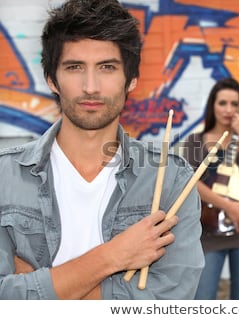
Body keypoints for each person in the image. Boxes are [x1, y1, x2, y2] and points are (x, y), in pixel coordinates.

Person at [0, 0, 204, 300]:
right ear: (52, 80)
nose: (91, 86)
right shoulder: (6, 176)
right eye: (74, 67)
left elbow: (168, 301)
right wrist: (112, 257)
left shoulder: (171, 178)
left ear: (131, 79)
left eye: (107, 67)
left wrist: (42, 290)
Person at [183, 77, 239, 299]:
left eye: (234, 104)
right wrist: (228, 206)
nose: (229, 110)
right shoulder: (195, 141)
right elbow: (191, 183)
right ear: (212, 105)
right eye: (222, 103)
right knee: (203, 299)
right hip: (208, 231)